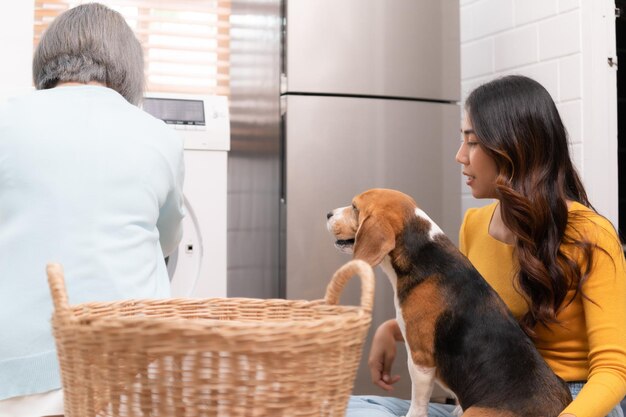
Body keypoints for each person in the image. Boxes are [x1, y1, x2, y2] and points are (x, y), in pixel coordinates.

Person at [347, 75, 626, 417]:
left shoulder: (592, 235)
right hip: (492, 398)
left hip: (576, 402)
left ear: (515, 148)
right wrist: (392, 330)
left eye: (473, 142)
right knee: (348, 409)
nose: (460, 156)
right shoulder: (475, 225)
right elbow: (472, 324)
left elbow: (613, 371)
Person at [0, 3, 185, 416]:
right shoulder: (159, 136)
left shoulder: (6, 118)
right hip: (130, 368)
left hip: (14, 374)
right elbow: (170, 239)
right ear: (129, 68)